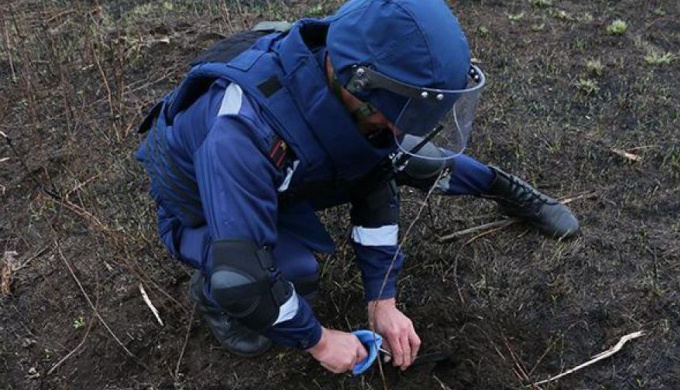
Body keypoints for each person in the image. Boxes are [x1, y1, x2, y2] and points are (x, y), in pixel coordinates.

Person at [135, 0, 578, 375]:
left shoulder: (348, 85)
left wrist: (381, 296)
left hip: (279, 173)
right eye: (400, 112)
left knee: (411, 157)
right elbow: (244, 278)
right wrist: (320, 340)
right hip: (201, 204)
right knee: (288, 270)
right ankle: (206, 293)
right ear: (361, 84)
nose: (403, 126)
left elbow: (376, 176)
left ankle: (502, 187)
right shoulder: (242, 133)